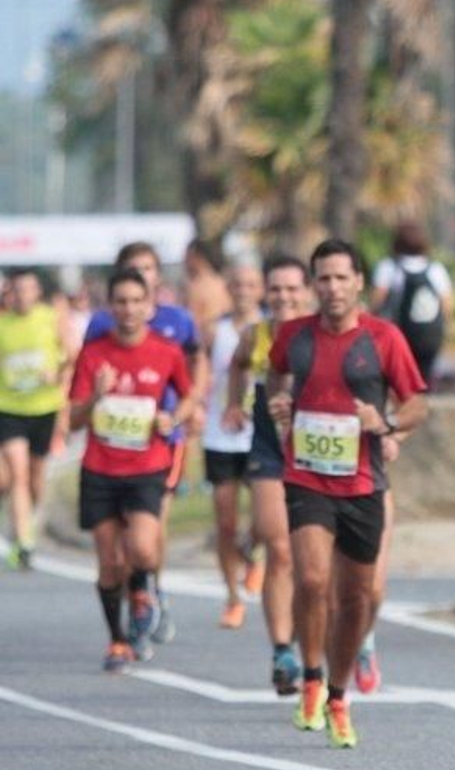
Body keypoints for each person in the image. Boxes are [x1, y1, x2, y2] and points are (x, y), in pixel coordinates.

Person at [267, 239, 427, 748]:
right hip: (307, 477)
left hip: (362, 482)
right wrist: (280, 404)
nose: (332, 288)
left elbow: (417, 402)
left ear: (359, 281)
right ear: (313, 285)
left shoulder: (383, 338)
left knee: (357, 598)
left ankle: (338, 691)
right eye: (324, 278)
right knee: (312, 579)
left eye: (341, 277)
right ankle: (311, 678)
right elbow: (275, 375)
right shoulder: (293, 335)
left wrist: (387, 424)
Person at [69, 269, 197, 672]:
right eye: (120, 302)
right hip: (101, 469)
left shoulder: (166, 351)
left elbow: (190, 398)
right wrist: (96, 398)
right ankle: (118, 640)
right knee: (109, 563)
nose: (128, 309)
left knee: (142, 547)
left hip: (147, 466)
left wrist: (172, 419)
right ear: (111, 307)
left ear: (149, 305)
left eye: (135, 302)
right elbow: (72, 419)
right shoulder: (93, 355)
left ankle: (143, 587)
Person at [226, 255, 310, 693]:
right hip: (269, 445)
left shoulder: (322, 336)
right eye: (275, 289)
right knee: (278, 547)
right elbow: (240, 365)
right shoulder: (255, 334)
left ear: (307, 291)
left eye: (292, 289)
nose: (283, 297)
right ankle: (282, 651)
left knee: (311, 560)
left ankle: (331, 639)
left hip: (317, 451)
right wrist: (234, 402)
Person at [203, 263, 266, 628]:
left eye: (251, 284)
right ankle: (232, 597)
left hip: (261, 438)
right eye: (237, 284)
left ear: (260, 289)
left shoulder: (273, 329)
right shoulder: (216, 331)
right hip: (221, 436)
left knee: (264, 520)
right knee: (225, 522)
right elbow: (201, 374)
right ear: (228, 288)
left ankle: (253, 551)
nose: (243, 290)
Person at [0, 269, 74, 569]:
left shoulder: (50, 317)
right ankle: (25, 541)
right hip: (9, 407)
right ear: (9, 294)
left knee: (35, 477)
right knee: (16, 473)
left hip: (44, 407)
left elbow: (71, 354)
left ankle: (28, 521)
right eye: (16, 290)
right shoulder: (3, 324)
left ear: (37, 292)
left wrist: (55, 372)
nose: (22, 296)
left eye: (28, 289)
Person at [371, 221, 453, 384]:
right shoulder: (436, 269)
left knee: (399, 380)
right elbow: (448, 307)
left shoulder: (388, 268)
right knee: (424, 380)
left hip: (398, 335)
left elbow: (376, 303)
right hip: (430, 337)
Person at [183, 239, 232, 333]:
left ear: (197, 258)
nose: (185, 261)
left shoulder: (195, 287)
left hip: (203, 338)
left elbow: (192, 322)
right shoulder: (224, 283)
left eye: (187, 257)